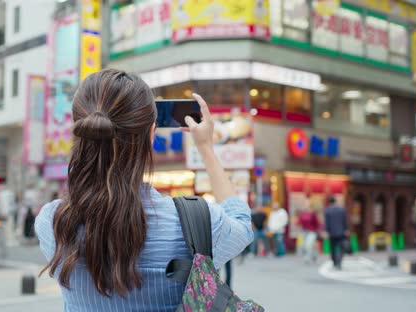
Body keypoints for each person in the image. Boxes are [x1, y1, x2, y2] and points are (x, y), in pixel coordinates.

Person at [35, 69, 253, 310]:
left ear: (82, 129)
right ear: (151, 134)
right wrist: (206, 149)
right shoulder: (196, 223)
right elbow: (242, 223)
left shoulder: (53, 222)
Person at [324, 197, 348, 270]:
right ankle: (339, 262)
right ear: (335, 201)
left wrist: (326, 231)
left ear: (329, 202)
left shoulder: (327, 210)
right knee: (341, 248)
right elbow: (345, 221)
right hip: (341, 232)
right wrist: (346, 229)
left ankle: (334, 262)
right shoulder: (342, 210)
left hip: (332, 233)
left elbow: (327, 223)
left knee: (332, 249)